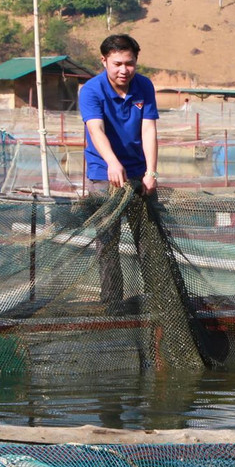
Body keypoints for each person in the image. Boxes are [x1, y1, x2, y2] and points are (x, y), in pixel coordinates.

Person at [77, 33, 159, 305]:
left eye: (130, 63)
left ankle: (156, 298)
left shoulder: (144, 86)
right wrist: (112, 161)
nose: (124, 70)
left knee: (147, 239)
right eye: (117, 63)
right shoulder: (91, 90)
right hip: (105, 173)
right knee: (107, 241)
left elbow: (148, 128)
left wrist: (151, 172)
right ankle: (112, 302)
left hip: (138, 172)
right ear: (104, 61)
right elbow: (95, 129)